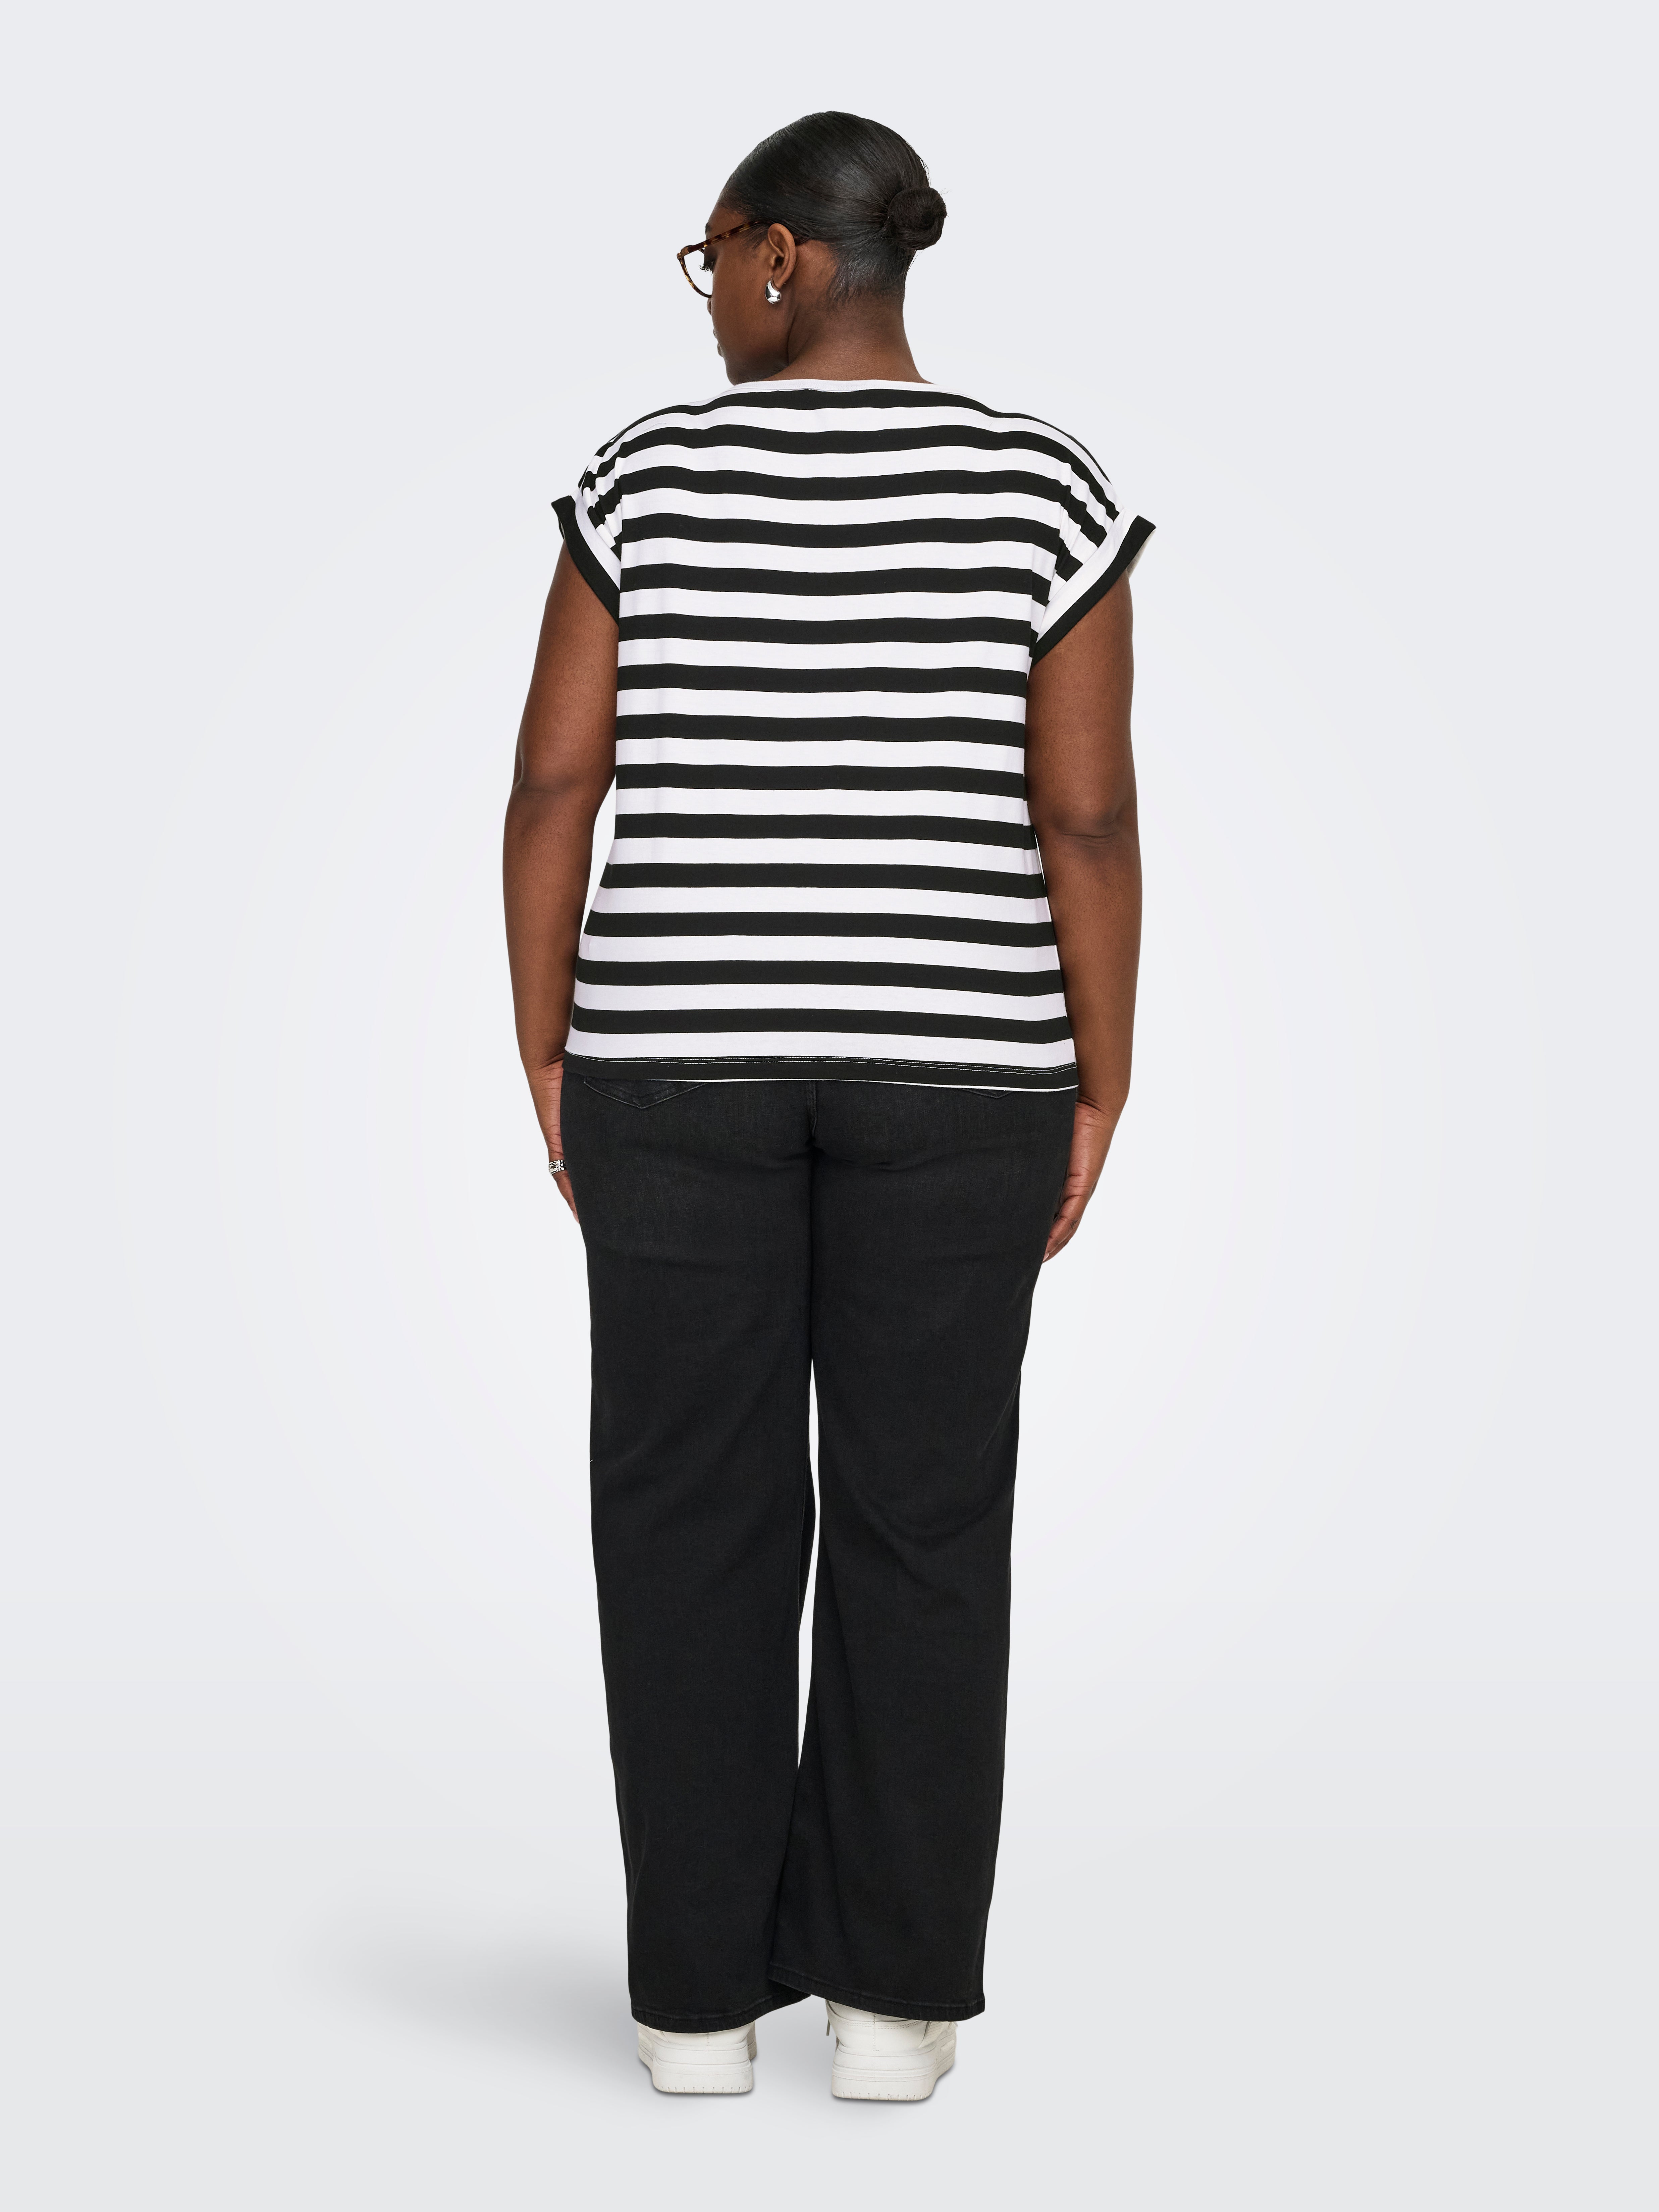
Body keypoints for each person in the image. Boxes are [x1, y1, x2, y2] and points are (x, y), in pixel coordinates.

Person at [502, 111, 1150, 2102]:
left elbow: (554, 784)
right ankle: (890, 2010)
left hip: (673, 1065)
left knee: (684, 1517)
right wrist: (1102, 1072)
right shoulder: (1042, 486)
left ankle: (697, 2012)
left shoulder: (647, 476)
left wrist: (548, 1043)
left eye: (713, 259)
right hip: (962, 1070)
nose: (707, 297)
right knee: (923, 1524)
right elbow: (1083, 814)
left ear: (783, 257)